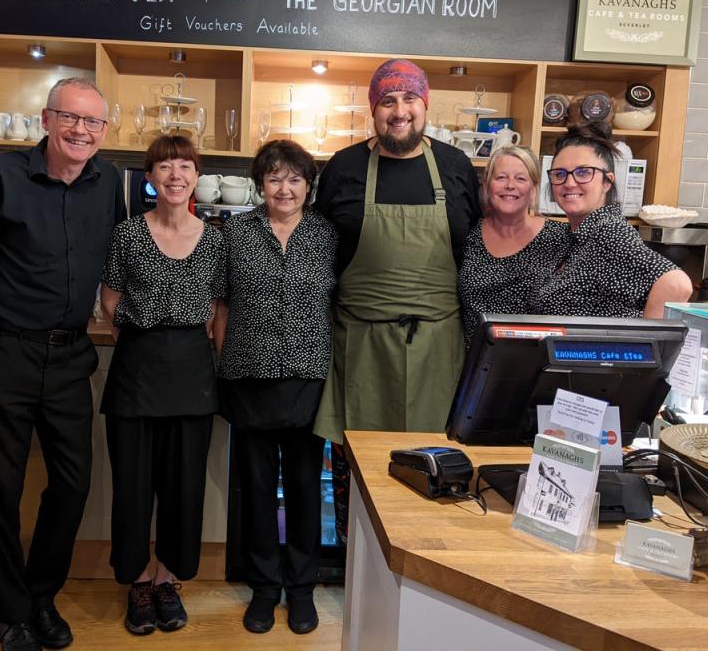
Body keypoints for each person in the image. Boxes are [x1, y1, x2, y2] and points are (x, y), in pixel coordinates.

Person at [0, 78, 126, 651]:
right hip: (5, 352)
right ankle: (11, 612)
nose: (80, 131)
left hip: (71, 354)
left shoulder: (110, 184)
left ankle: (42, 595)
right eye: (69, 118)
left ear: (103, 131)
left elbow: (125, 256)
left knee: (73, 485)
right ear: (46, 121)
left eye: (92, 123)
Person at [313, 58, 481, 544]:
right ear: (374, 110)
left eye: (410, 99)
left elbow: (471, 249)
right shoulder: (344, 168)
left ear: (425, 106)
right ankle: (357, 566)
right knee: (359, 462)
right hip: (361, 345)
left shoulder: (454, 167)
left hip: (437, 347)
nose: (399, 110)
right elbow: (321, 252)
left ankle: (433, 566)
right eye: (388, 100)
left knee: (437, 464)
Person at [99, 135, 225, 637]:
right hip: (136, 370)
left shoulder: (216, 239)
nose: (175, 174)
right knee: (132, 486)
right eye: (165, 166)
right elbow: (110, 301)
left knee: (183, 485)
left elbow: (218, 310)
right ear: (150, 177)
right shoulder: (128, 234)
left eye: (185, 166)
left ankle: (168, 579)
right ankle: (137, 581)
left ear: (197, 177)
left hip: (193, 371)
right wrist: (141, 337)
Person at [213, 140, 337, 635]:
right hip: (248, 377)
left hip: (308, 376)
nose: (284, 188)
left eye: (294, 179)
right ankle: (265, 587)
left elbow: (336, 304)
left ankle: (301, 587)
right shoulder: (235, 232)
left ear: (308, 185)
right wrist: (225, 362)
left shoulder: (329, 235)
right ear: (259, 184)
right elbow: (219, 307)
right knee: (258, 489)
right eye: (273, 178)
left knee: (306, 487)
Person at [530, 122, 693, 317]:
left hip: (596, 348)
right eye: (560, 174)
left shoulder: (608, 232)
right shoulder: (577, 236)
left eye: (583, 173)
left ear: (607, 181)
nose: (570, 182)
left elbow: (676, 285)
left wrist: (645, 343)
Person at [458, 145, 569, 346]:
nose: (510, 185)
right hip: (475, 362)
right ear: (487, 186)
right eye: (500, 177)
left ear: (534, 189)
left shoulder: (560, 238)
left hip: (537, 363)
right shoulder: (468, 234)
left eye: (521, 178)